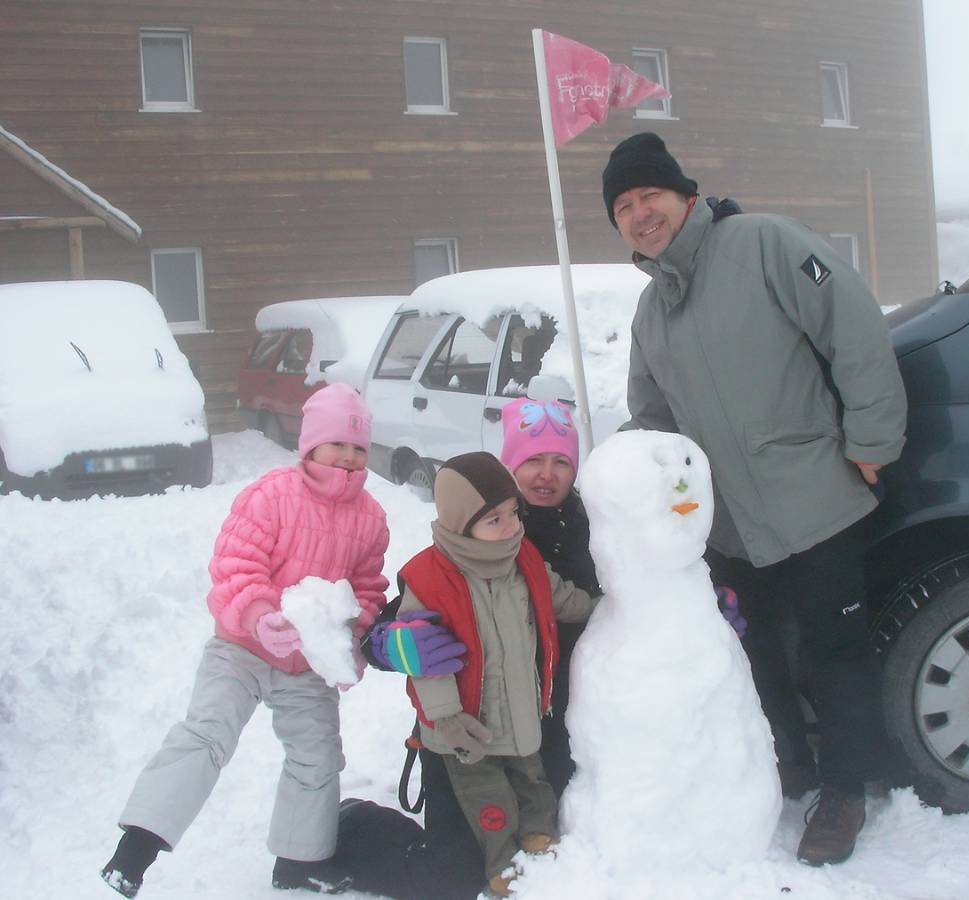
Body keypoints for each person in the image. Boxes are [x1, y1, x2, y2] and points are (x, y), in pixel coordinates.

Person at [601, 131, 908, 866]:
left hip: (815, 498)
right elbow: (652, 424)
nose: (640, 213)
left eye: (650, 195)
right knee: (757, 653)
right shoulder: (651, 314)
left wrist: (871, 441)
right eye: (623, 205)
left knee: (834, 651)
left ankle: (843, 790)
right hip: (730, 527)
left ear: (684, 195)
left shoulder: (762, 243)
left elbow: (854, 328)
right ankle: (785, 769)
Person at [99, 383, 390, 897]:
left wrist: (349, 642)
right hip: (241, 646)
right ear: (309, 443)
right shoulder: (271, 495)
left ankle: (299, 863)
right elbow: (235, 564)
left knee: (318, 756)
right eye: (337, 444)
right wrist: (259, 616)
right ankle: (135, 850)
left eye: (359, 447)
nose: (348, 456)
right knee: (206, 735)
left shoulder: (371, 518)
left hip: (306, 664)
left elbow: (367, 587)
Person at [398, 450, 596, 897]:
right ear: (461, 524)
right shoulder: (430, 579)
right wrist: (446, 717)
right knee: (488, 797)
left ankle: (538, 837)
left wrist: (605, 610)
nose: (510, 527)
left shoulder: (522, 558)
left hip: (521, 709)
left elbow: (562, 597)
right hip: (466, 725)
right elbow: (424, 662)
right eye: (494, 520)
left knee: (533, 781)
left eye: (512, 514)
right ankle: (502, 863)